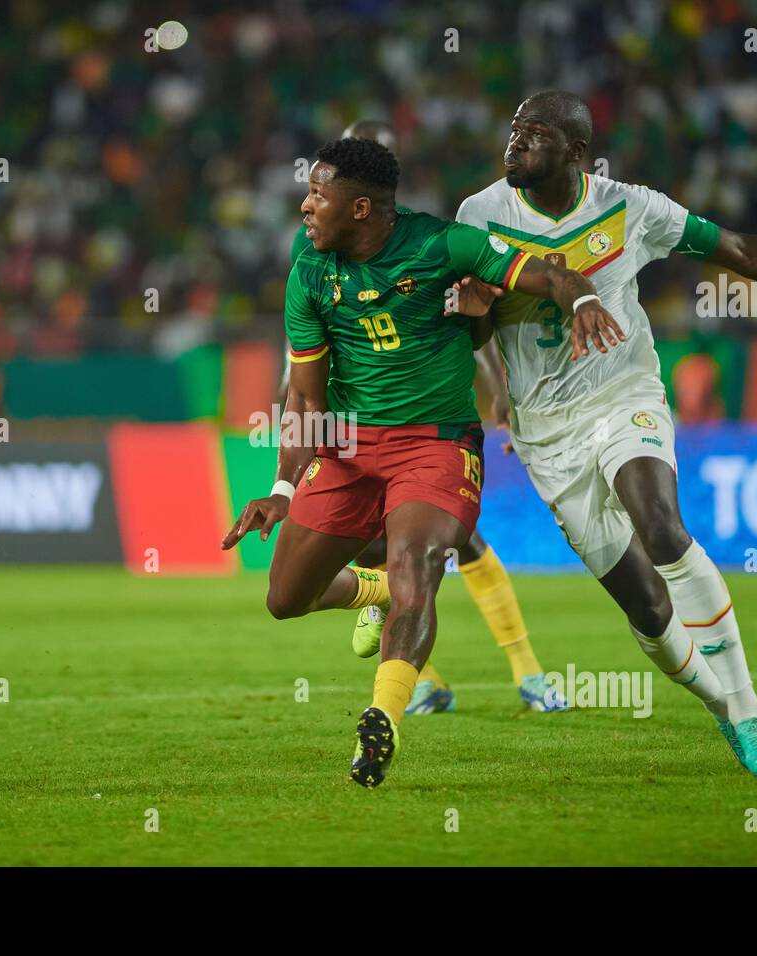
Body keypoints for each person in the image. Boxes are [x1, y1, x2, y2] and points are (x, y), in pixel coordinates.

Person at [456, 90, 757, 777]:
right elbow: (473, 327)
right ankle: (720, 705)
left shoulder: (630, 208)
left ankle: (749, 708)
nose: (515, 144)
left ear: (576, 151)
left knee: (662, 526)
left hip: (623, 393)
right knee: (649, 611)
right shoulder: (479, 216)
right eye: (512, 131)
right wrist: (485, 346)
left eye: (532, 134)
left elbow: (740, 251)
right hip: (546, 435)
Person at [222, 136, 620, 787]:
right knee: (286, 598)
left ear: (360, 208)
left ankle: (382, 720)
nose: (303, 206)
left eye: (318, 194)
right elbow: (305, 399)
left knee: (420, 565)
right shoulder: (310, 274)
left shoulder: (443, 246)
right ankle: (376, 594)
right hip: (348, 449)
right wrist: (283, 489)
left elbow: (543, 272)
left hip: (435, 444)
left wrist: (580, 299)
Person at [284, 120, 568, 717]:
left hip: (429, 433)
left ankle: (529, 673)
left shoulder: (428, 240)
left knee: (451, 545)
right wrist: (291, 466)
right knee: (366, 565)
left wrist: (499, 400)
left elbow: (471, 322)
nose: (308, 203)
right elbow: (311, 348)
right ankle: (431, 682)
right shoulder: (311, 250)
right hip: (351, 433)